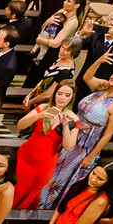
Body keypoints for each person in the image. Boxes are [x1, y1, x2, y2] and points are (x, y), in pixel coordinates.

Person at [39, 66, 113, 209]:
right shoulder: (101, 89)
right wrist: (99, 62)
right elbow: (87, 77)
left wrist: (91, 156)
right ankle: (36, 201)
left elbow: (108, 134)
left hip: (83, 147)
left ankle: (46, 209)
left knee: (60, 178)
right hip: (69, 134)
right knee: (50, 169)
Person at [14, 81, 79, 210]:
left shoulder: (73, 118)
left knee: (32, 194)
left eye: (67, 95)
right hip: (26, 156)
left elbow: (68, 146)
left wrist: (65, 126)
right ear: (55, 94)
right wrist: (39, 115)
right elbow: (20, 125)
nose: (62, 98)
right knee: (16, 189)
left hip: (45, 163)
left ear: (72, 97)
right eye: (60, 94)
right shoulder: (43, 107)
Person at [25, 0, 86, 89]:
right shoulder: (62, 11)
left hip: (51, 54)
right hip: (42, 48)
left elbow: (55, 43)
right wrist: (48, 21)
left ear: (76, 5)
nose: (64, 2)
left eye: (68, 1)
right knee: (31, 74)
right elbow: (44, 27)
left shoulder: (72, 22)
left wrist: (40, 39)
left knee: (37, 78)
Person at [74, 9, 113, 103]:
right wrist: (82, 32)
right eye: (110, 19)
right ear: (106, 22)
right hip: (83, 80)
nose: (112, 23)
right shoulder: (96, 35)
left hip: (102, 86)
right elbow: (75, 46)